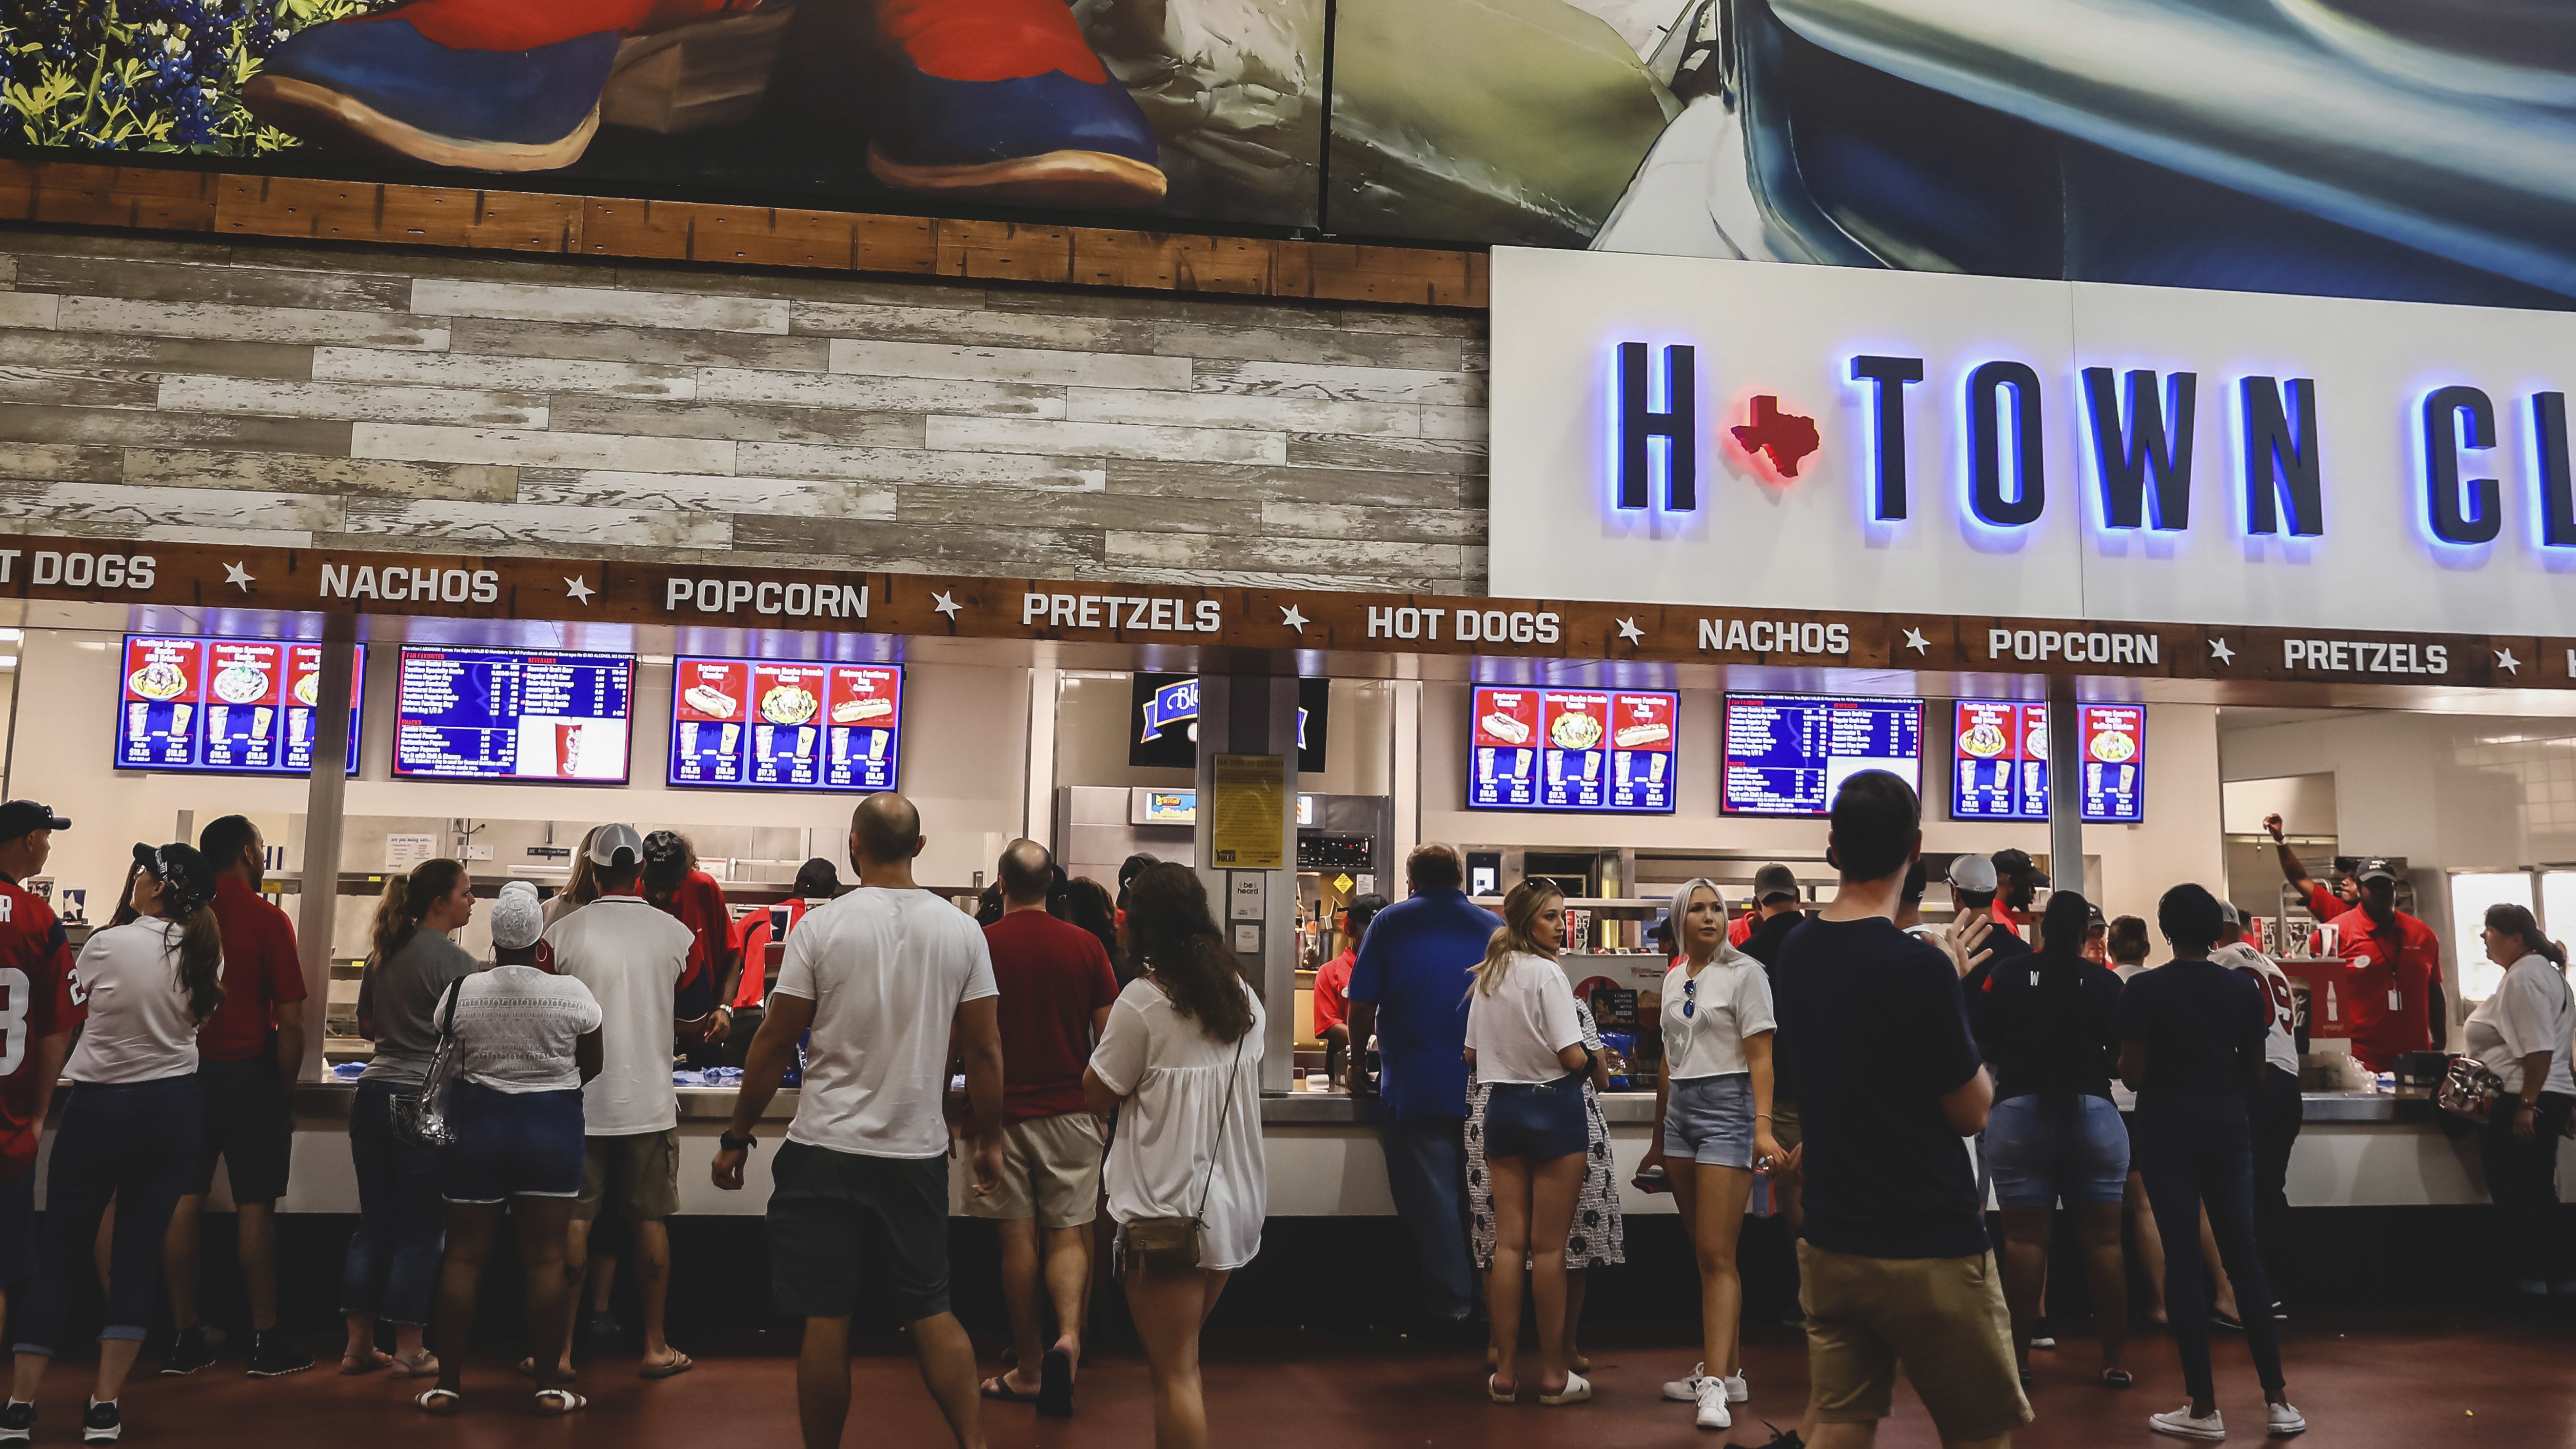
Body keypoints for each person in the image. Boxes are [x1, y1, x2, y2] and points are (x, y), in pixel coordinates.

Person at [711, 793, 1006, 1449]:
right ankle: (975, 1443)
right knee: (931, 1307)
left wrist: (736, 1135)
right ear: (920, 847)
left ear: (854, 844)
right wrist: (987, 1135)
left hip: (825, 1149)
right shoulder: (963, 931)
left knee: (827, 1316)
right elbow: (985, 1047)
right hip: (915, 1149)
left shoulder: (822, 927)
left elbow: (772, 1040)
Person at [1772, 771, 2029, 1449]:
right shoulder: (1916, 967)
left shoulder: (1796, 949)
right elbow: (1973, 1109)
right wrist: (1947, 984)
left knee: (1839, 1423)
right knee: (1980, 1432)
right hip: (1926, 1241)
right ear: (1916, 848)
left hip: (1831, 1235)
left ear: (1831, 844)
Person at [9, 842, 225, 1448]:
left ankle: (20, 1406)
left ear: (158, 887)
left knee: (59, 1257)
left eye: (143, 871)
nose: (134, 876)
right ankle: (104, 1407)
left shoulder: (107, 944)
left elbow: (67, 1010)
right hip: (173, 1110)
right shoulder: (208, 952)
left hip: (100, 1110)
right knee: (135, 1258)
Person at [1082, 863, 1266, 1449]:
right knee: (1181, 1362)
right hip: (1231, 1202)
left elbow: (1098, 1090)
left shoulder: (1142, 1002)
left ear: (1136, 925)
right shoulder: (1240, 993)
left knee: (1175, 1373)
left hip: (1167, 1208)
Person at [415, 873, 604, 1418]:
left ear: (494, 940)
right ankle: (548, 1385)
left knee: (465, 1257)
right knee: (545, 1260)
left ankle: (447, 1383)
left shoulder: (462, 992)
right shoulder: (572, 993)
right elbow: (592, 1063)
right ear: (541, 940)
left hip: (478, 1128)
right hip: (552, 1129)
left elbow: (449, 1055)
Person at [2120, 884, 2305, 1442]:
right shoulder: (2240, 990)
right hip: (2227, 1126)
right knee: (2242, 1258)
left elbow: (2131, 1074)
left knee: (2182, 1262)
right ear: (2214, 931)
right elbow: (2255, 1071)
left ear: (2165, 931)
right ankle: (2277, 1400)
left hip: (2166, 1129)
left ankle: (2202, 1408)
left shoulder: (2145, 989)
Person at [540, 823, 697, 1379]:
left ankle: (558, 1353)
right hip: (650, 1102)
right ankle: (655, 1348)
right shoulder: (675, 933)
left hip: (579, 1102)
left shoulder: (562, 934)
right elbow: (691, 998)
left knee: (575, 1225)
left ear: (595, 867)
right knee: (650, 1221)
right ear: (640, 871)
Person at [158, 816, 311, 1378]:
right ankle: (265, 1340)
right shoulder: (270, 919)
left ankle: (184, 1336)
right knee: (255, 1206)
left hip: (183, 1075)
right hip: (250, 1076)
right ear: (249, 852)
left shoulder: (180, 915)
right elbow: (291, 1020)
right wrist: (285, 1087)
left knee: (183, 1202)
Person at [971, 840, 1118, 1418]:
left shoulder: (978, 944)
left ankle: (1029, 1366)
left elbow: (965, 1039)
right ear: (1052, 883)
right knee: (1067, 1233)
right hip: (1071, 1112)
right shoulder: (1085, 946)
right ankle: (1070, 1340)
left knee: (1016, 1238)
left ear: (1001, 883)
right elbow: (1107, 1039)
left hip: (1001, 1114)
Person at [1976, 890, 2132, 1390]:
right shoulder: (2105, 983)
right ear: (2086, 932)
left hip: (2018, 1112)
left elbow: (1980, 1038)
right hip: (2094, 1114)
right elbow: (2119, 1055)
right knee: (2104, 1241)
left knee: (2022, 1242)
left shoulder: (2006, 974)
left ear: (2041, 929)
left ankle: (2018, 1362)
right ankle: (2113, 1360)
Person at [1343, 844, 1500, 1330]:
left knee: (1432, 1207)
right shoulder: (1493, 928)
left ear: (1411, 881)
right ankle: (1490, 1305)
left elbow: (1361, 1005)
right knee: (1484, 1202)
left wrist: (1355, 1062)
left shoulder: (1390, 923)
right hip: (1487, 1091)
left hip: (1416, 1088)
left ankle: (1451, 1309)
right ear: (1460, 878)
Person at [337, 862, 482, 1380]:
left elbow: (367, 1027)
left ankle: (357, 1346)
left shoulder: (384, 952)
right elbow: (473, 1036)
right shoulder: (457, 962)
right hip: (420, 1098)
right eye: (466, 894)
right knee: (421, 1228)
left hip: (371, 1092)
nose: (472, 902)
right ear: (440, 901)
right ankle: (409, 1347)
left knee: (373, 1224)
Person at [1644, 878, 1778, 1430]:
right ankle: (1730, 1371)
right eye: (1696, 909)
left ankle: (1716, 1384)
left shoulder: (1747, 974)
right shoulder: (1676, 975)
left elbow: (1762, 1058)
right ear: (1679, 920)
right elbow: (1668, 1060)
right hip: (1681, 1115)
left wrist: (1762, 1129)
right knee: (1705, 1254)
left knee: (1717, 1253)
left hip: (1729, 1109)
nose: (1708, 917)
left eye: (1715, 908)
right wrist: (1657, 1137)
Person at [1461, 879, 1592, 1407]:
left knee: (1507, 1245)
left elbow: (1470, 1056)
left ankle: (1506, 1374)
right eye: (1550, 917)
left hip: (1503, 1111)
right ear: (1525, 923)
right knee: (1549, 1249)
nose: (1559, 925)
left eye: (1561, 916)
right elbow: (1572, 1055)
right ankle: (1555, 1375)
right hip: (1554, 1109)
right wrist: (1597, 1059)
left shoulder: (1488, 974)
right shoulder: (1548, 973)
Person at [0, 803, 76, 1438]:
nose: (48, 849)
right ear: (27, 841)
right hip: (7, 1126)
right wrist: (40, 1111)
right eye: (47, 839)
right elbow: (57, 1026)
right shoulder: (39, 919)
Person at [2462, 902, 2576, 1302]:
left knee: (2518, 1195)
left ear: (2516, 937)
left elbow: (2539, 1049)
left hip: (2522, 1095)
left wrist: (2526, 1103)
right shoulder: (2547, 974)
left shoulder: (2525, 976)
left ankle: (2530, 1287)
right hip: (2548, 1093)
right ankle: (2555, 1281)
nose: (2484, 939)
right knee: (2539, 1192)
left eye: (2489, 930)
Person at [2263, 818, 2443, 1070]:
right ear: (2361, 889)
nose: (2380, 892)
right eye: (2372, 886)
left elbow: (2434, 988)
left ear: (2396, 889)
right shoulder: (2335, 928)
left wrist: (2440, 1042)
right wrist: (2280, 840)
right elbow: (2299, 878)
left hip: (2415, 1060)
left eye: (2386, 886)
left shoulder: (2423, 935)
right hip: (2361, 1063)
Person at [2214, 902, 2302, 1319]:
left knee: (2242, 1191)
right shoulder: (2270, 964)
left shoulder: (2218, 960)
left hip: (2255, 1079)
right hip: (2288, 1084)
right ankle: (2280, 1286)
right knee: (2272, 1189)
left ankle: (2253, 1290)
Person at [726, 858, 841, 1065]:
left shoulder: (754, 919)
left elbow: (730, 963)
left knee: (736, 1090)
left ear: (795, 887)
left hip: (747, 1019)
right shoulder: (827, 926)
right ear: (829, 897)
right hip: (798, 1023)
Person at [643, 829, 737, 1063]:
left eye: (669, 886)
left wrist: (724, 1008)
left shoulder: (703, 888)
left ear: (685, 874)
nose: (661, 894)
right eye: (653, 887)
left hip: (702, 1034)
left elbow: (732, 955)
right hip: (644, 1035)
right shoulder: (633, 893)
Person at [1314, 893, 1385, 1087]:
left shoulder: (1395, 971)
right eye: (1367, 932)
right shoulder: (1329, 972)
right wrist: (1370, 1041)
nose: (1374, 939)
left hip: (1390, 1070)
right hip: (1344, 1071)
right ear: (1350, 929)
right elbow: (1329, 1025)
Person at [1991, 849, 2047, 937]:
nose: (2033, 891)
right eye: (2029, 883)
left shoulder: (1999, 916)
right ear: (2010, 881)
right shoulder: (2003, 926)